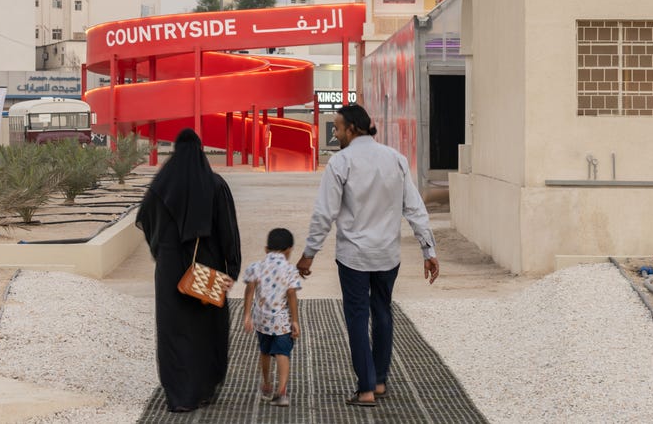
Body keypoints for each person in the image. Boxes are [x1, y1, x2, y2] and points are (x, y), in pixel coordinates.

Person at [297, 103, 439, 408]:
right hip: (388, 254)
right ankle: (379, 380)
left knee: (358, 318)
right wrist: (428, 249)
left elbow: (325, 214)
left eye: (336, 128)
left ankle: (365, 389)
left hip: (353, 257)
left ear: (352, 129)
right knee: (383, 312)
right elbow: (413, 208)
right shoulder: (395, 159)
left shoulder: (341, 163)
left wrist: (309, 253)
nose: (335, 134)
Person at [136, 128, 242, 413]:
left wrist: (163, 252)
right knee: (207, 330)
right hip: (207, 270)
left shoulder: (161, 187)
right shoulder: (215, 185)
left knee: (174, 332)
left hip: (171, 273)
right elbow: (228, 231)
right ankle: (204, 390)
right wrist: (232, 268)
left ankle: (179, 396)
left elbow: (145, 222)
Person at [242, 227, 302, 408]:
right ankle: (281, 392)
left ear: (266, 249)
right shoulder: (290, 270)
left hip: (262, 321)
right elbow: (291, 294)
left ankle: (267, 385)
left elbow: (249, 290)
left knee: (265, 352)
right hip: (282, 322)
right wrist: (295, 320)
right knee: (283, 353)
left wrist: (247, 315)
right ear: (289, 250)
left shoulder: (256, 267)